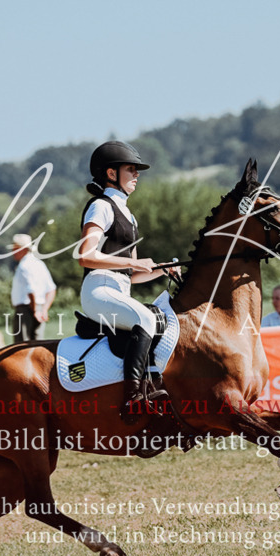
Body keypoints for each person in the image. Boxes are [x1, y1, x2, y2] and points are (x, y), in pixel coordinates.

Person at [77, 141, 177, 424]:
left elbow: (133, 275)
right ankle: (133, 397)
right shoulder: (100, 206)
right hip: (98, 290)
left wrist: (162, 270)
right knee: (145, 318)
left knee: (155, 319)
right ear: (111, 174)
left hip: (119, 289)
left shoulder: (129, 215)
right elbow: (86, 256)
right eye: (131, 170)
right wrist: (134, 262)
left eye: (137, 170)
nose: (137, 175)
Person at [10, 233, 57, 343]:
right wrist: (44, 309)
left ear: (23, 249)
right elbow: (51, 289)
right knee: (37, 344)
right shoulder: (39, 264)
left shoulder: (23, 266)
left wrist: (35, 309)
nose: (13, 252)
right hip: (39, 307)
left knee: (21, 346)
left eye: (15, 248)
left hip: (26, 309)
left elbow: (31, 289)